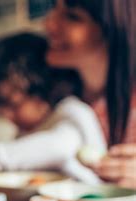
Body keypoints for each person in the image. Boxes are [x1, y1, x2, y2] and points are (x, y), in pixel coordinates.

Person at [0, 33, 106, 183]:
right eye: (1, 107)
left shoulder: (73, 111)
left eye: (13, 104)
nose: (7, 115)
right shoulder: (28, 129)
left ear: (43, 88)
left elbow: (59, 148)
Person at [44, 0, 136, 188]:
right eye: (54, 8)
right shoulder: (53, 95)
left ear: (114, 28)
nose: (49, 23)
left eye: (73, 17)